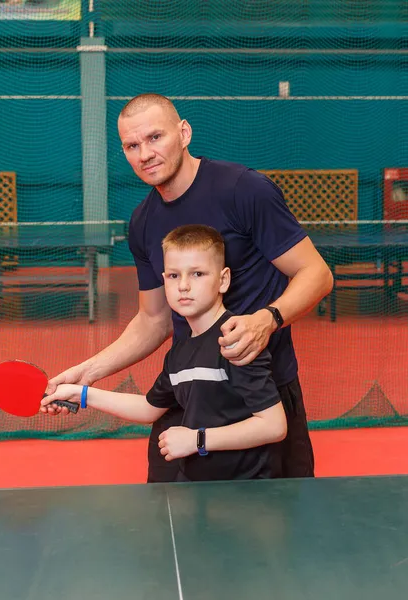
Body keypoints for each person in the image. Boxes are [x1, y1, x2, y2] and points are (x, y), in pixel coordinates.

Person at [44, 93, 333, 483]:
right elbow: (153, 320)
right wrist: (86, 374)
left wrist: (267, 320)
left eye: (155, 138)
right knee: (172, 526)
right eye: (132, 145)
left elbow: (316, 274)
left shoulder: (244, 189)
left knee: (276, 530)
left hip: (260, 395)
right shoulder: (143, 222)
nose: (144, 154)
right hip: (189, 397)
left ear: (184, 133)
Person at [42, 225, 287, 482]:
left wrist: (198, 439)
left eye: (198, 274)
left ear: (223, 280)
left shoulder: (235, 339)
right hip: (198, 489)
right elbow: (150, 408)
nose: (183, 285)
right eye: (173, 276)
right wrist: (81, 393)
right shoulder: (180, 352)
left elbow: (273, 425)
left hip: (244, 495)